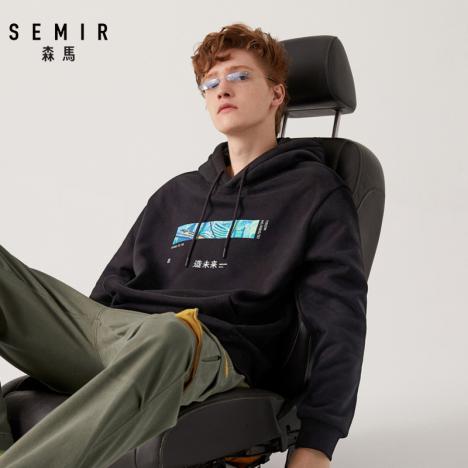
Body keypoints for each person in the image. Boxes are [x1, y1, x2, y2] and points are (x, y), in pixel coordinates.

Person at [0, 23, 367, 468]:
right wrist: (70, 353)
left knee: (170, 333)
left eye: (239, 76)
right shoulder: (176, 194)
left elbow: (339, 323)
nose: (222, 89)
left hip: (207, 349)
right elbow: (105, 297)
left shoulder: (315, 190)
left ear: (276, 94)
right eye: (210, 83)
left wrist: (316, 443)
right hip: (126, 336)